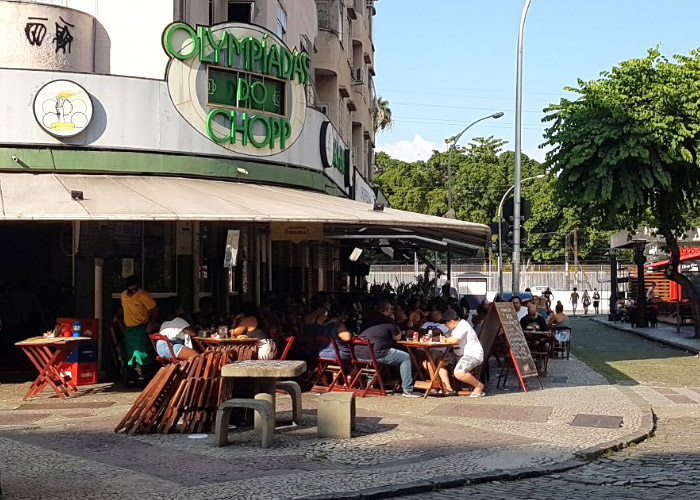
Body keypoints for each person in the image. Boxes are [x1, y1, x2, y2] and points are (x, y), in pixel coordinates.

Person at [358, 300, 420, 398]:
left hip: (359, 352)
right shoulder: (388, 320)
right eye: (391, 309)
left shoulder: (368, 318)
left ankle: (370, 386)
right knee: (405, 357)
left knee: (373, 361)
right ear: (387, 309)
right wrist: (393, 321)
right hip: (378, 353)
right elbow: (397, 337)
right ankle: (407, 390)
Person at [442, 309, 485, 398]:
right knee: (439, 362)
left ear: (452, 322)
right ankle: (447, 388)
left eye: (446, 323)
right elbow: (445, 337)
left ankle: (478, 386)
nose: (445, 326)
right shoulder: (453, 328)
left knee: (459, 372)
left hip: (472, 354)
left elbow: (454, 340)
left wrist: (443, 339)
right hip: (458, 354)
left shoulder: (462, 325)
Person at [120, 277, 158, 378]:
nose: (132, 292)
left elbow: (154, 310)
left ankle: (144, 373)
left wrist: (152, 323)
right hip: (129, 328)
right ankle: (133, 374)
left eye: (134, 289)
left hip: (141, 327)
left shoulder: (144, 296)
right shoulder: (123, 295)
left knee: (141, 352)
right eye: (129, 290)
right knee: (130, 352)